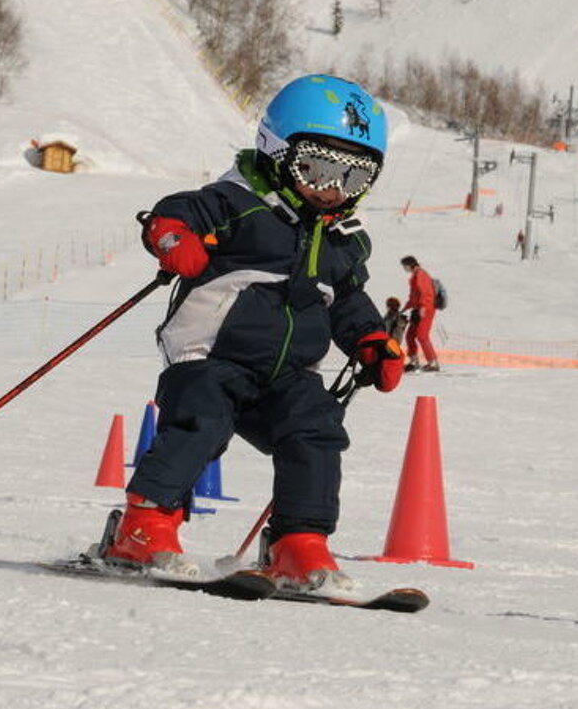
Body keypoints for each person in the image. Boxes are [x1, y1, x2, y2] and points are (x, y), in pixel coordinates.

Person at [93, 75, 403, 590]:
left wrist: (371, 340)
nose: (332, 189)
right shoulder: (239, 202)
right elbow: (175, 214)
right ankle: (143, 526)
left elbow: (347, 299)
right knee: (203, 421)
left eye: (353, 177)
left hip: (287, 374)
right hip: (210, 357)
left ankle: (297, 543)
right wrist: (174, 239)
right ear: (276, 150)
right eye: (319, 168)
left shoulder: (342, 239)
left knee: (316, 428)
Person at [401, 255, 439, 372]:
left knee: (422, 335)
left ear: (409, 265)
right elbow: (414, 296)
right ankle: (414, 361)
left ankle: (433, 362)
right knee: (410, 335)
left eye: (404, 266)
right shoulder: (416, 276)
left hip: (426, 310)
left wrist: (423, 307)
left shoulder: (421, 275)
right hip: (418, 310)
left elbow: (426, 293)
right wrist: (405, 308)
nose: (404, 269)